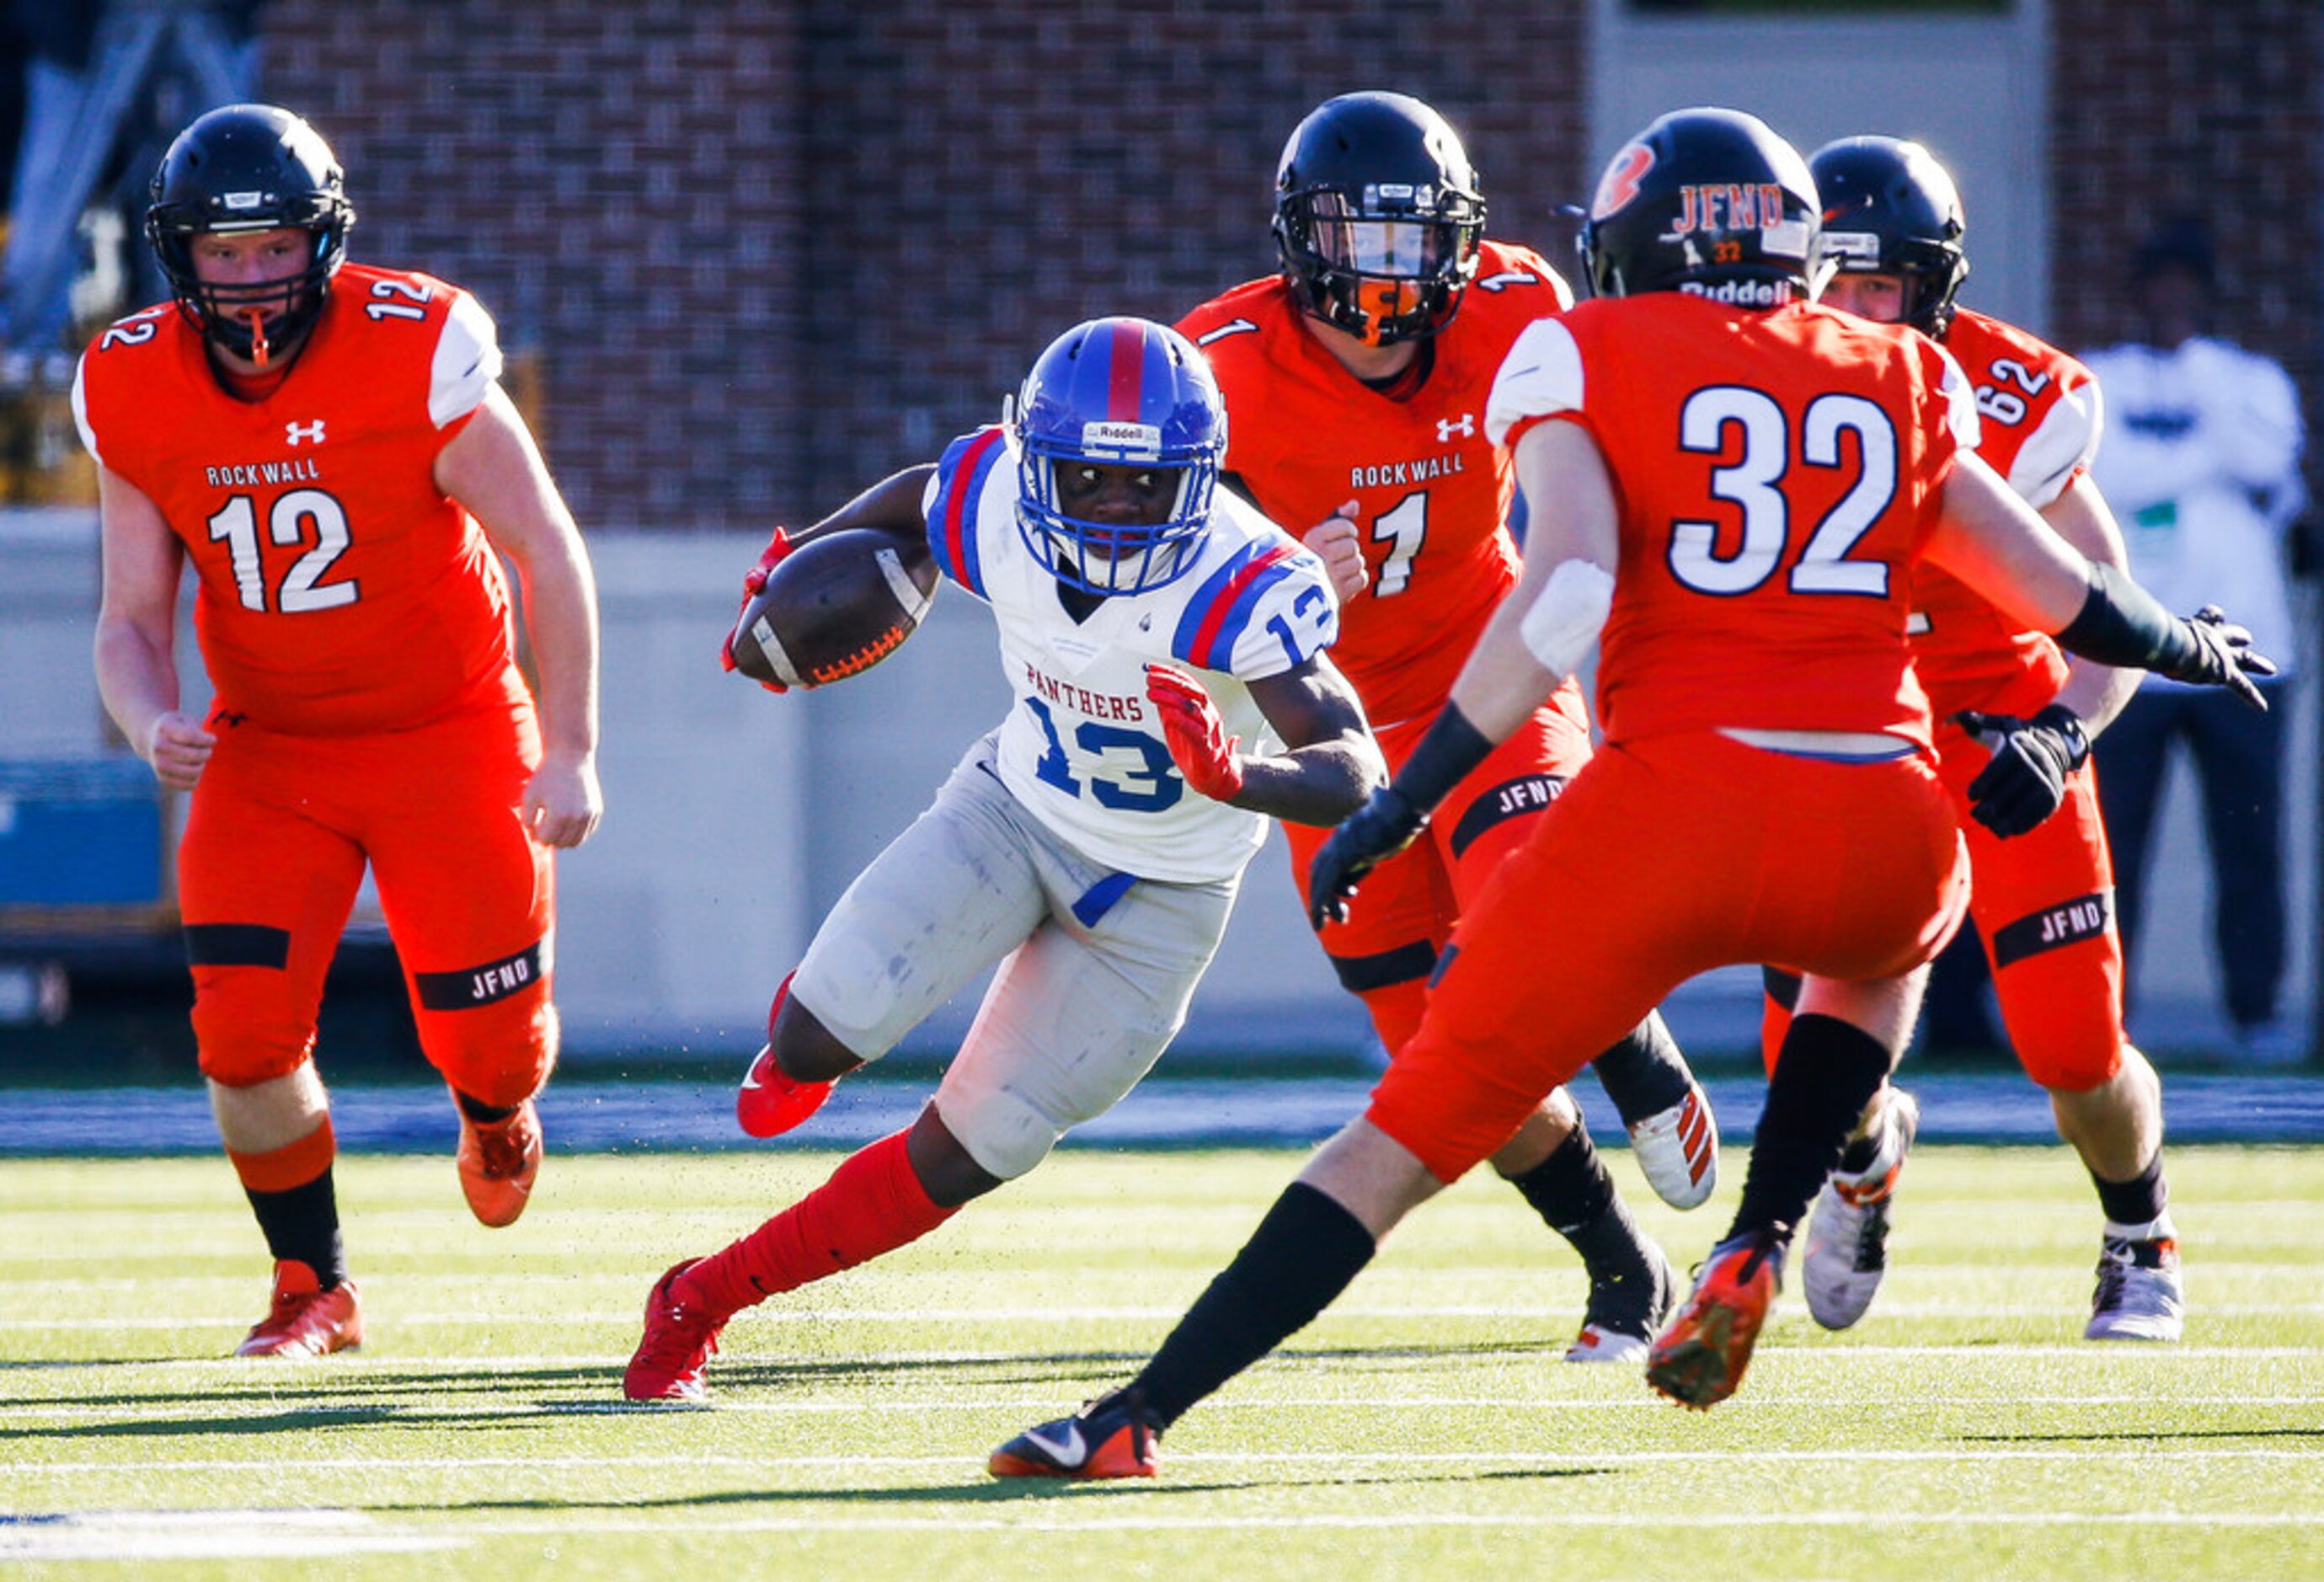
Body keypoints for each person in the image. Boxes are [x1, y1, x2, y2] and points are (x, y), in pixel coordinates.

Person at [991, 106, 2269, 1477]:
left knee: (1408, 1124)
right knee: (1868, 974)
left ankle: (1138, 1415)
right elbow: (2063, 593)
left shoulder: (1579, 346)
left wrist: (1402, 795)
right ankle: (1756, 1241)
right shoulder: (1901, 370)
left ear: (1631, 249)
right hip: (1882, 812)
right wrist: (2190, 644)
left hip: (1671, 804)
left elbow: (1567, 591)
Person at [621, 315, 1380, 1404]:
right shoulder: (991, 502)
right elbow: (918, 495)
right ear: (1036, 465)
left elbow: (1350, 763)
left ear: (1200, 481)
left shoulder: (1245, 574)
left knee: (978, 1144)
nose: (1114, 511)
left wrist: (1238, 778)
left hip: (1159, 898)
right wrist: (791, 565)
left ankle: (703, 1295)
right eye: (1086, 480)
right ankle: (805, 1047)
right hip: (1012, 812)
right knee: (821, 1022)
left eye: (1145, 489)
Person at [1176, 90, 1711, 1366]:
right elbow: (1165, 595)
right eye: (1358, 235)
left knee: (1524, 901)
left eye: (1413, 236)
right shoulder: (1220, 365)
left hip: (1490, 676)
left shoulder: (1520, 308)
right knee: (1441, 1050)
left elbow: (1614, 441)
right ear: (1302, 239)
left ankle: (1633, 1053)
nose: (1387, 266)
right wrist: (1268, 583)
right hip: (1330, 725)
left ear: (1457, 241)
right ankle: (1616, 1256)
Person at [80, 104, 603, 1359]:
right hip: (271, 746)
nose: (252, 278)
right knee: (244, 1036)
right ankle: (313, 1283)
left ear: (322, 241)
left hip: (450, 726)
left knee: (489, 1041)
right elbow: (128, 615)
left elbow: (544, 544)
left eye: (275, 250)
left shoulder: (413, 342)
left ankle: (492, 1108)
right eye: (225, 253)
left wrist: (573, 741)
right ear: (180, 256)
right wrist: (150, 716)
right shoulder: (132, 377)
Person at [1760, 136, 2185, 1343]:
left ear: (1931, 288)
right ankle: (1864, 1150)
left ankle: (2135, 1226)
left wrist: (2056, 735)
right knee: (1807, 1048)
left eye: (1875, 288)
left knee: (2069, 1045)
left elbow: (2110, 610)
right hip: (1841, 734)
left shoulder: (2011, 397)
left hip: (1995, 723)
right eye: (1823, 283)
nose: (1846, 313)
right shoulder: (1740, 386)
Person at [2079, 219, 2307, 1061]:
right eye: (2157, 282)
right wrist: (2200, 459)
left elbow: (2259, 457)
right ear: (2136, 291)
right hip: (2131, 652)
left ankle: (2255, 1015)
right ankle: (2103, 1022)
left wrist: (2199, 384)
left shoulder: (2250, 380)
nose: (2170, 298)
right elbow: (2106, 477)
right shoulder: (2098, 379)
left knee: (2246, 844)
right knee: (2111, 851)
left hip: (2245, 656)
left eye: (2185, 283)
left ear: (2204, 294)